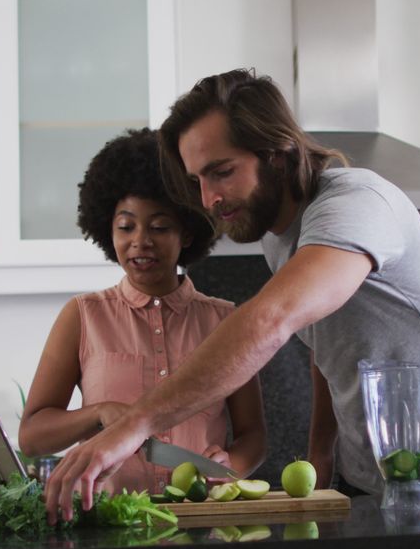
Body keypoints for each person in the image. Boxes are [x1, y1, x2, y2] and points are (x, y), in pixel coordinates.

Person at [44, 69, 420, 528]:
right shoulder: (278, 237)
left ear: (277, 154)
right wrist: (321, 455)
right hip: (366, 485)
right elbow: (324, 347)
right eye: (198, 179)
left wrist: (133, 425)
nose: (209, 199)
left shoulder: (355, 204)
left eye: (222, 172)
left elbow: (272, 319)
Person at [18, 128, 266, 495]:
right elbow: (32, 436)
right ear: (108, 231)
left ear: (188, 232)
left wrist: (233, 464)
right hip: (109, 529)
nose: (141, 241)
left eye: (160, 226)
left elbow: (253, 435)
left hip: (204, 524)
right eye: (126, 226)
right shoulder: (82, 316)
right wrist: (98, 413)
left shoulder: (225, 322)